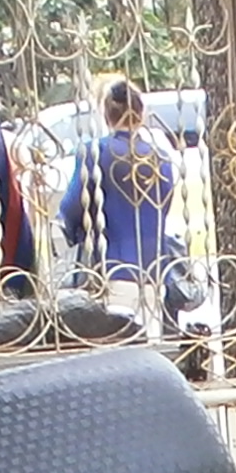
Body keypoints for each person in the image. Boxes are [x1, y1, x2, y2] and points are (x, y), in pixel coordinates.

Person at [60, 76, 188, 331]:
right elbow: (162, 208)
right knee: (151, 347)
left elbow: (71, 207)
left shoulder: (95, 152)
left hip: (111, 269)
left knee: (116, 352)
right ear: (141, 114)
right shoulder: (161, 158)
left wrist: (77, 232)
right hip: (155, 270)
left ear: (106, 113)